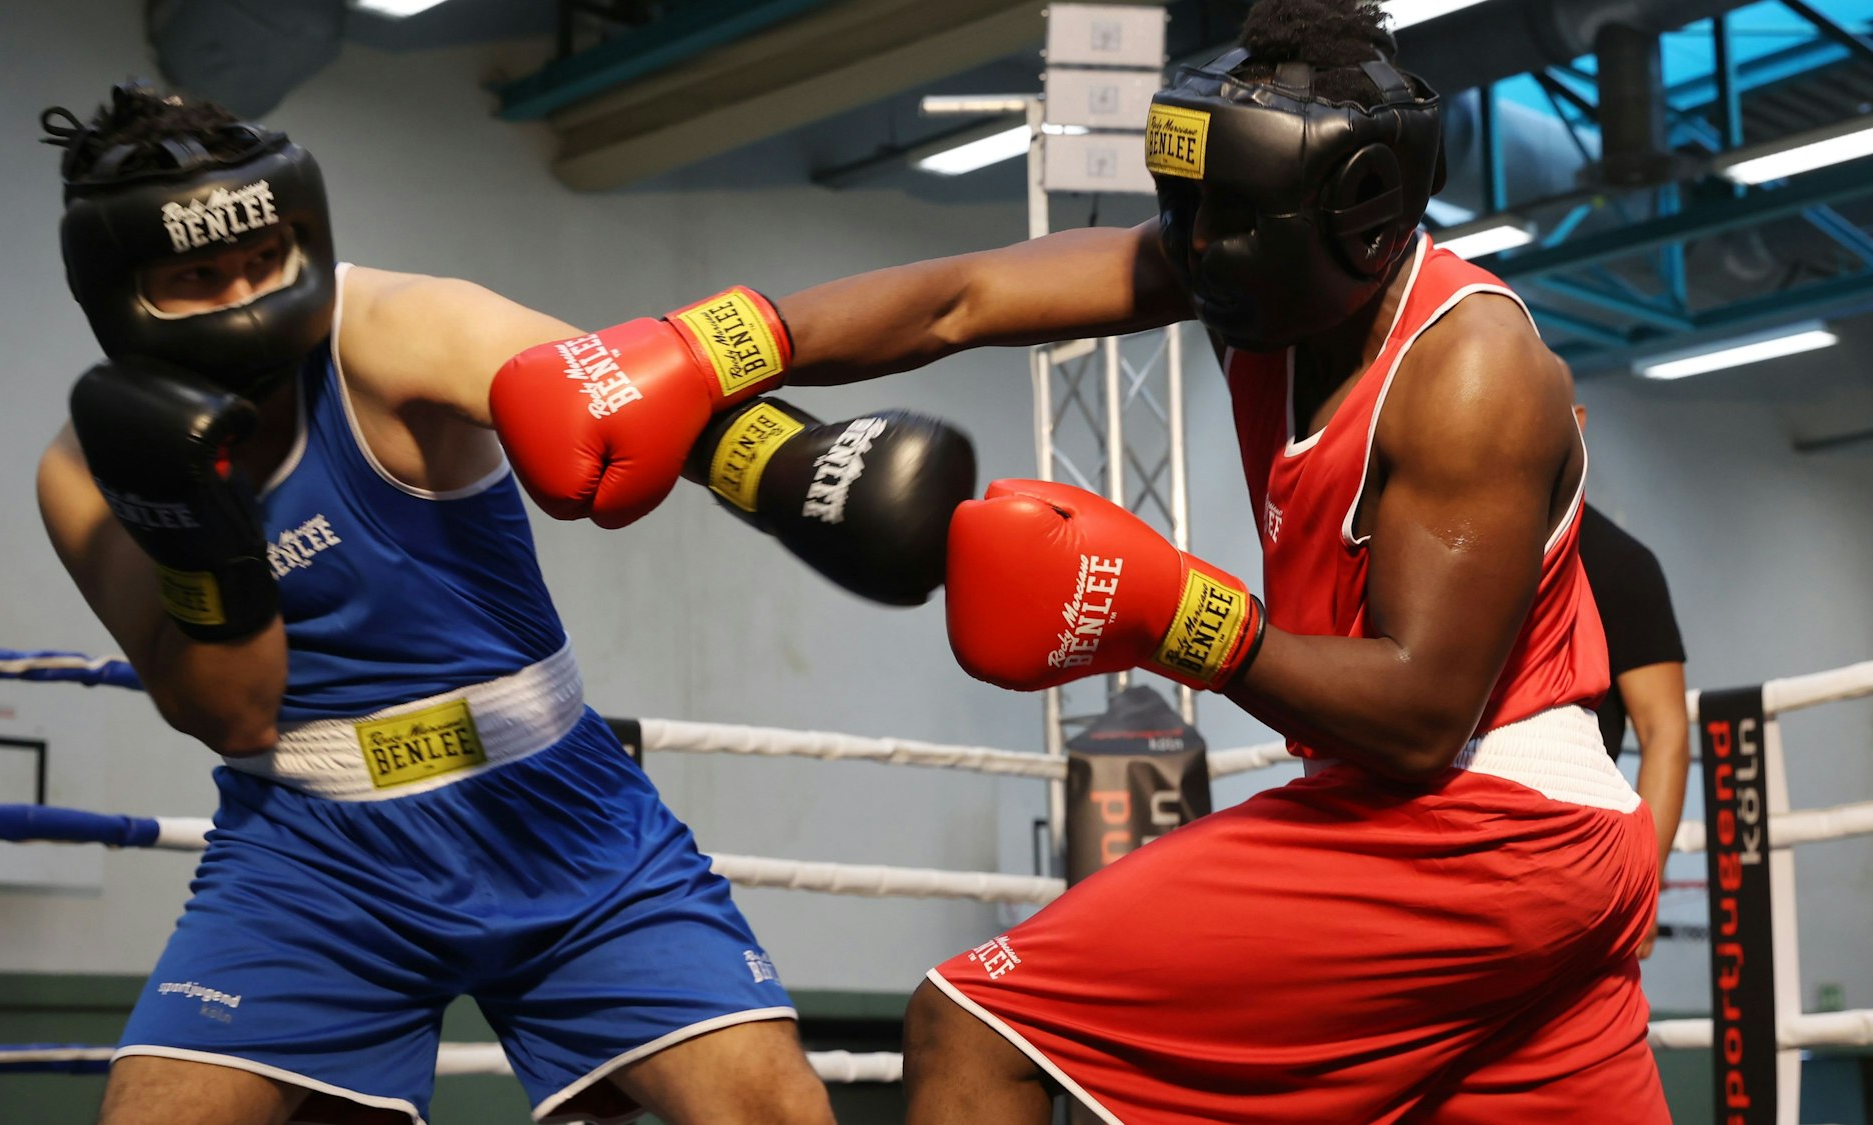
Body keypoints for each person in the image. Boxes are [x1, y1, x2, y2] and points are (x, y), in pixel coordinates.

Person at [493, 0, 1670, 1120]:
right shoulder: (1246, 266)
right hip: (1519, 853)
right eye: (1186, 205)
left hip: (1485, 824)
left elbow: (1418, 717)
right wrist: (723, 347)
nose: (1198, 242)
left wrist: (1179, 617)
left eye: (1232, 216)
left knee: (973, 1025)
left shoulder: (1469, 373)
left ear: (1356, 211)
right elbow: (966, 297)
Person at [34, 82, 964, 1125]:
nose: (247, 293)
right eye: (200, 277)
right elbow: (233, 711)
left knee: (771, 1111)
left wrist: (787, 464)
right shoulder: (86, 475)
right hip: (311, 852)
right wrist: (200, 535)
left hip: (559, 810)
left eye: (263, 258)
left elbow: (617, 389)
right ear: (123, 290)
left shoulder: (392, 327)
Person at [1572, 395, 1691, 959]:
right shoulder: (1457, 547)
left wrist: (1645, 883)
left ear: (1576, 421)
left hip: (1578, 859)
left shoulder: (1619, 564)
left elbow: (1665, 732)